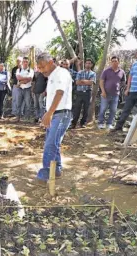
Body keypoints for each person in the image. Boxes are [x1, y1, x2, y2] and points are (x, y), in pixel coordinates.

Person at [35, 52, 72, 182]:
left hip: (61, 114)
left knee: (50, 144)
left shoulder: (61, 73)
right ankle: (56, 170)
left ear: (51, 62)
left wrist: (49, 113)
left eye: (42, 67)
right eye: (39, 67)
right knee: (54, 142)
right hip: (55, 113)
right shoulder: (51, 76)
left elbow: (60, 92)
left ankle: (45, 176)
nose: (40, 70)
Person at [98, 56, 126, 129]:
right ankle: (100, 123)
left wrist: (119, 87)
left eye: (115, 61)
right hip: (105, 94)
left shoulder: (122, 72)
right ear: (110, 62)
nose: (114, 62)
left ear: (118, 62)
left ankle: (109, 124)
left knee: (113, 110)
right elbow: (101, 82)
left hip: (116, 95)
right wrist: (103, 91)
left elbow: (123, 82)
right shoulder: (106, 71)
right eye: (112, 61)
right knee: (103, 109)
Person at [71, 58, 96, 129]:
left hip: (88, 93)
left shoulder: (93, 73)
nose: (88, 64)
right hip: (79, 93)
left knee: (86, 109)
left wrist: (82, 81)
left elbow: (91, 83)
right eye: (86, 63)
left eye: (89, 63)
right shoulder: (80, 72)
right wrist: (86, 81)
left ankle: (82, 123)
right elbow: (77, 82)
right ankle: (74, 123)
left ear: (91, 65)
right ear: (84, 64)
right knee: (77, 109)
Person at [16, 56, 34, 121]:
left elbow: (29, 79)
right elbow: (18, 78)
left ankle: (27, 118)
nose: (25, 63)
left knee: (28, 104)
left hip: (27, 89)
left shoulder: (31, 70)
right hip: (20, 89)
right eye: (24, 62)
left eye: (26, 62)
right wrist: (25, 78)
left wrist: (20, 82)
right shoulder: (19, 70)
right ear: (22, 62)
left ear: (28, 62)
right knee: (18, 103)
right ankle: (18, 117)